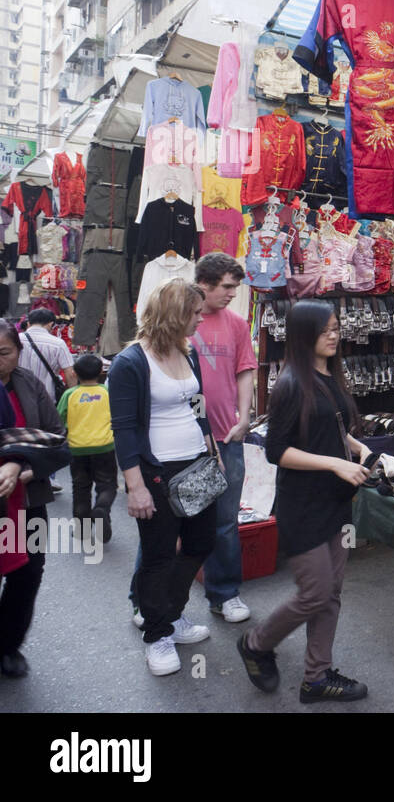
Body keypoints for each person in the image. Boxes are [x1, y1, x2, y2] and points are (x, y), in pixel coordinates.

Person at [236, 300, 371, 704]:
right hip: (304, 506)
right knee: (315, 592)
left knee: (331, 593)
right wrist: (334, 464)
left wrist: (357, 447)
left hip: (335, 502)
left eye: (336, 327)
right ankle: (256, 644)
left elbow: (332, 425)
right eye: (325, 329)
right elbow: (277, 450)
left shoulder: (329, 375)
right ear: (303, 335)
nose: (334, 335)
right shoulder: (291, 383)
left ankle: (316, 677)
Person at [109, 278, 216, 676]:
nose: (201, 318)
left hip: (197, 466)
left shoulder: (187, 353)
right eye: (195, 312)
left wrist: (211, 447)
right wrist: (135, 486)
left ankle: (170, 614)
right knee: (157, 556)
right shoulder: (131, 362)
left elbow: (198, 405)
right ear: (174, 314)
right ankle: (157, 634)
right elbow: (123, 429)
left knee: (200, 543)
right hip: (157, 472)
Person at [192, 252, 257, 624]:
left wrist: (244, 417)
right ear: (205, 283)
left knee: (225, 521)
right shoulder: (182, 319)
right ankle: (150, 601)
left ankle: (224, 593)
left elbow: (245, 370)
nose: (233, 293)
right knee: (172, 523)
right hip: (185, 440)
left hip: (228, 435)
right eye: (228, 286)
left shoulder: (236, 323)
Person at [0, 320, 67, 678]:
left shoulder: (30, 385)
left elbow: (57, 439)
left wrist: (27, 469)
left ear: (19, 352)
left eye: (4, 353)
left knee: (28, 572)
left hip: (30, 498)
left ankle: (8, 644)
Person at [58, 354, 117, 543]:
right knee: (107, 485)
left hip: (77, 449)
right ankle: (101, 508)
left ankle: (82, 529)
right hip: (105, 447)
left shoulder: (69, 395)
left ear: (74, 373)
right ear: (101, 372)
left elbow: (58, 420)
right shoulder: (108, 393)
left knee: (80, 488)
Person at [19, 308, 75, 406]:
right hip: (47, 398)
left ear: (28, 323)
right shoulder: (58, 344)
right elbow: (70, 373)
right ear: (51, 324)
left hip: (19, 396)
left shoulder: (16, 339)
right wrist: (72, 397)